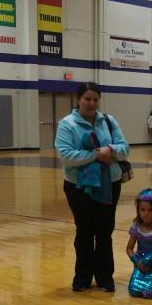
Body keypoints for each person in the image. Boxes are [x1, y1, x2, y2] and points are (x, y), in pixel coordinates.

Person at [55, 82, 130, 293]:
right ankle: (83, 276)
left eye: (95, 99)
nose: (92, 103)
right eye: (87, 99)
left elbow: (125, 148)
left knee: (105, 232)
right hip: (78, 188)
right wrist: (96, 155)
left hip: (110, 185)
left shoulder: (108, 121)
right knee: (85, 232)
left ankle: (105, 276)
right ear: (78, 99)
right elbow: (66, 155)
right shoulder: (67, 124)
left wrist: (110, 149)